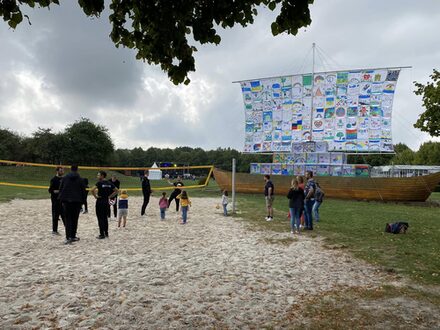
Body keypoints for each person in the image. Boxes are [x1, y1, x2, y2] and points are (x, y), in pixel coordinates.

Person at [58, 165, 86, 245]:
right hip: (77, 201)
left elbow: (61, 188)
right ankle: (73, 236)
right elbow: (83, 191)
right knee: (74, 219)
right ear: (77, 170)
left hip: (66, 201)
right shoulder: (80, 179)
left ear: (70, 169)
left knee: (68, 219)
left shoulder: (65, 178)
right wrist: (83, 202)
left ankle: (68, 237)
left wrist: (61, 199)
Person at [91, 171, 119, 239]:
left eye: (98, 175)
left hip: (100, 201)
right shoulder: (109, 183)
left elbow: (92, 190)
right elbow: (117, 190)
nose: (97, 176)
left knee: (100, 218)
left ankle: (101, 234)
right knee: (105, 218)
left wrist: (95, 196)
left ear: (102, 176)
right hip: (106, 201)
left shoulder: (99, 183)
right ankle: (106, 233)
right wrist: (109, 196)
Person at [48, 166, 65, 235]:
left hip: (63, 200)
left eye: (63, 170)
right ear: (57, 171)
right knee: (55, 216)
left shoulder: (64, 179)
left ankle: (68, 229)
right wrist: (58, 191)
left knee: (64, 216)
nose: (62, 172)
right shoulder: (54, 179)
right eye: (61, 170)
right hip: (55, 201)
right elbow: (50, 190)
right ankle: (54, 230)